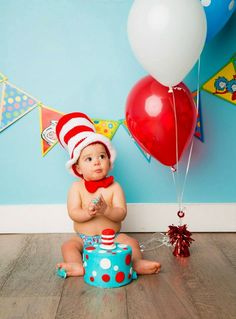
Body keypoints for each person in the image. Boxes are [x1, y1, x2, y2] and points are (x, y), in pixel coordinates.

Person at [56, 112, 161, 277]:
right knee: (68, 246)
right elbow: (73, 213)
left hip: (113, 238)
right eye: (88, 159)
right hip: (84, 239)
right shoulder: (76, 188)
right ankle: (76, 265)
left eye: (102, 156)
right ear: (78, 168)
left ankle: (137, 262)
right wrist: (87, 213)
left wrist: (106, 210)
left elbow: (121, 213)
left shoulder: (114, 187)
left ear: (109, 161)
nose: (97, 161)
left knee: (131, 242)